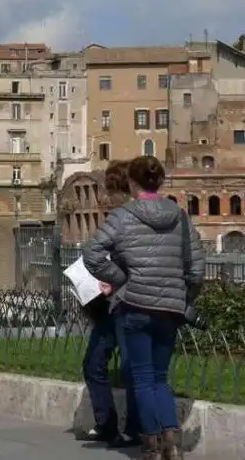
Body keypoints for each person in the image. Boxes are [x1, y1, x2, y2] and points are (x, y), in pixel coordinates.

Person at [84, 156, 205, 460]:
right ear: (161, 182)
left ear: (132, 183)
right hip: (170, 308)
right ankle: (172, 443)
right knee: (160, 377)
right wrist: (184, 295)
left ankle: (151, 445)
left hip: (135, 305)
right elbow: (197, 268)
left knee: (142, 377)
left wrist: (121, 279)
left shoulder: (123, 216)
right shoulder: (180, 216)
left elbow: (92, 254)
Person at [78, 160, 140, 448]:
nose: (110, 197)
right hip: (108, 302)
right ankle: (106, 423)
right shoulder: (116, 216)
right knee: (93, 364)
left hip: (128, 301)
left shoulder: (134, 217)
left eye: (114, 189)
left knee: (130, 367)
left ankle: (134, 429)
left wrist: (114, 279)